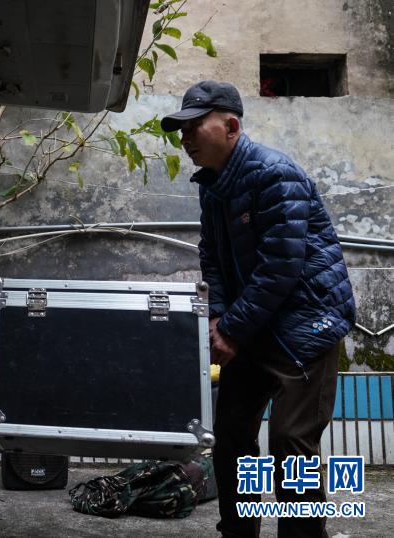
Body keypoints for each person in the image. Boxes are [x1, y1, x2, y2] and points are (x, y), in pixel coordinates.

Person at [161, 80, 355, 537]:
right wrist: (219, 318)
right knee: (230, 433)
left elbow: (281, 267)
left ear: (231, 126)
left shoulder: (274, 174)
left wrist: (231, 329)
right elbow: (212, 255)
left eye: (194, 127)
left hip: (306, 324)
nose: (185, 139)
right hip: (253, 326)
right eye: (181, 130)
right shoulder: (213, 186)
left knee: (291, 441)